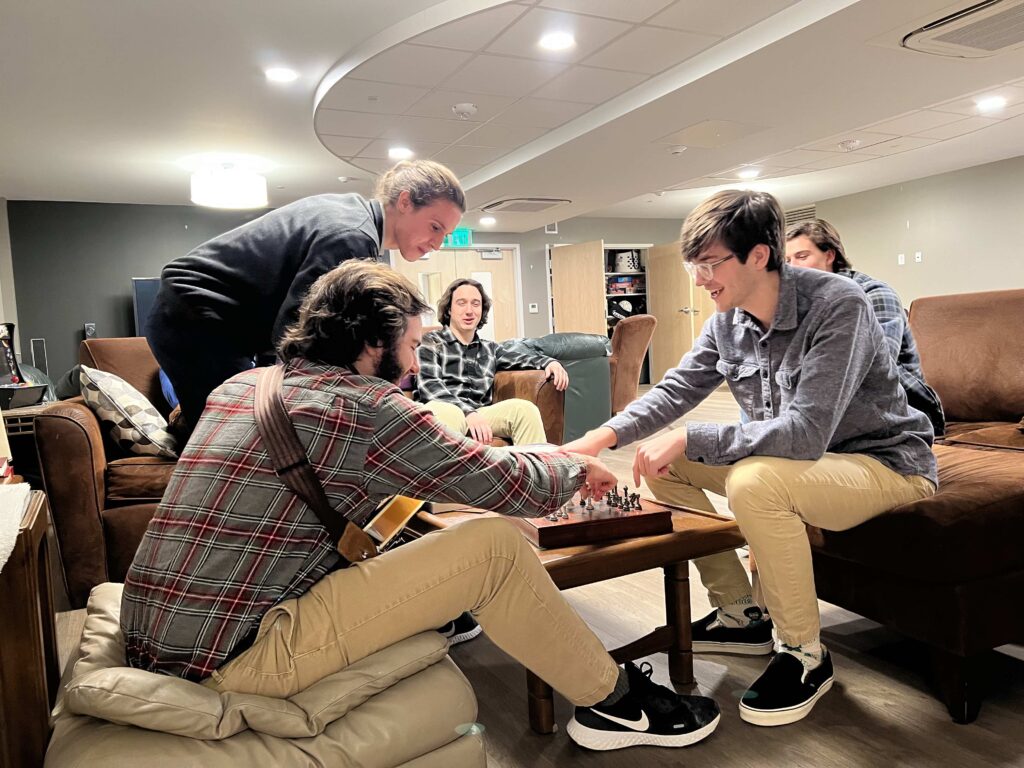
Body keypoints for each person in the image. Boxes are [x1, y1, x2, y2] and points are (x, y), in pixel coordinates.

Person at [121, 260, 721, 751]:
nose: (413, 364)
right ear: (369, 341)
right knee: (492, 546)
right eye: (409, 345)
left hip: (152, 631)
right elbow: (497, 483)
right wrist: (575, 465)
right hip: (227, 660)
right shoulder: (367, 407)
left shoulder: (241, 385)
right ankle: (614, 705)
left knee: (416, 518)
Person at [563, 190, 937, 727]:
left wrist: (693, 439)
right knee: (655, 463)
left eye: (710, 263)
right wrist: (599, 438)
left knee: (756, 481)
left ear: (760, 255)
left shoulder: (838, 304)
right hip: (806, 463)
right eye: (695, 264)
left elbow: (804, 433)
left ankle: (805, 654)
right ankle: (742, 615)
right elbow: (675, 390)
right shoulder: (727, 320)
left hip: (882, 466)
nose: (698, 278)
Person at [146, 159, 465, 434]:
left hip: (191, 315)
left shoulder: (353, 217)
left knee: (243, 426)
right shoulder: (351, 237)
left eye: (445, 235)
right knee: (239, 436)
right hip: (196, 315)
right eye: (435, 227)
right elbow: (297, 336)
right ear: (406, 202)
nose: (437, 243)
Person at [785, 218, 944, 435]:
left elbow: (873, 365)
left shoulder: (874, 294)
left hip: (902, 409)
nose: (792, 267)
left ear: (829, 256)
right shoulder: (802, 304)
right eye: (786, 261)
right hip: (832, 407)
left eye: (802, 257)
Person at [417, 277, 568, 445]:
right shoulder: (430, 342)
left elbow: (522, 358)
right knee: (449, 413)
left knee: (525, 410)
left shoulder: (490, 349)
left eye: (475, 304)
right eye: (461, 303)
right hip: (443, 410)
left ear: (482, 310)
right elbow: (430, 387)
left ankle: (534, 470)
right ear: (449, 309)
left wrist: (550, 362)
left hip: (479, 413)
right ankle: (454, 471)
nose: (469, 311)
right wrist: (468, 413)